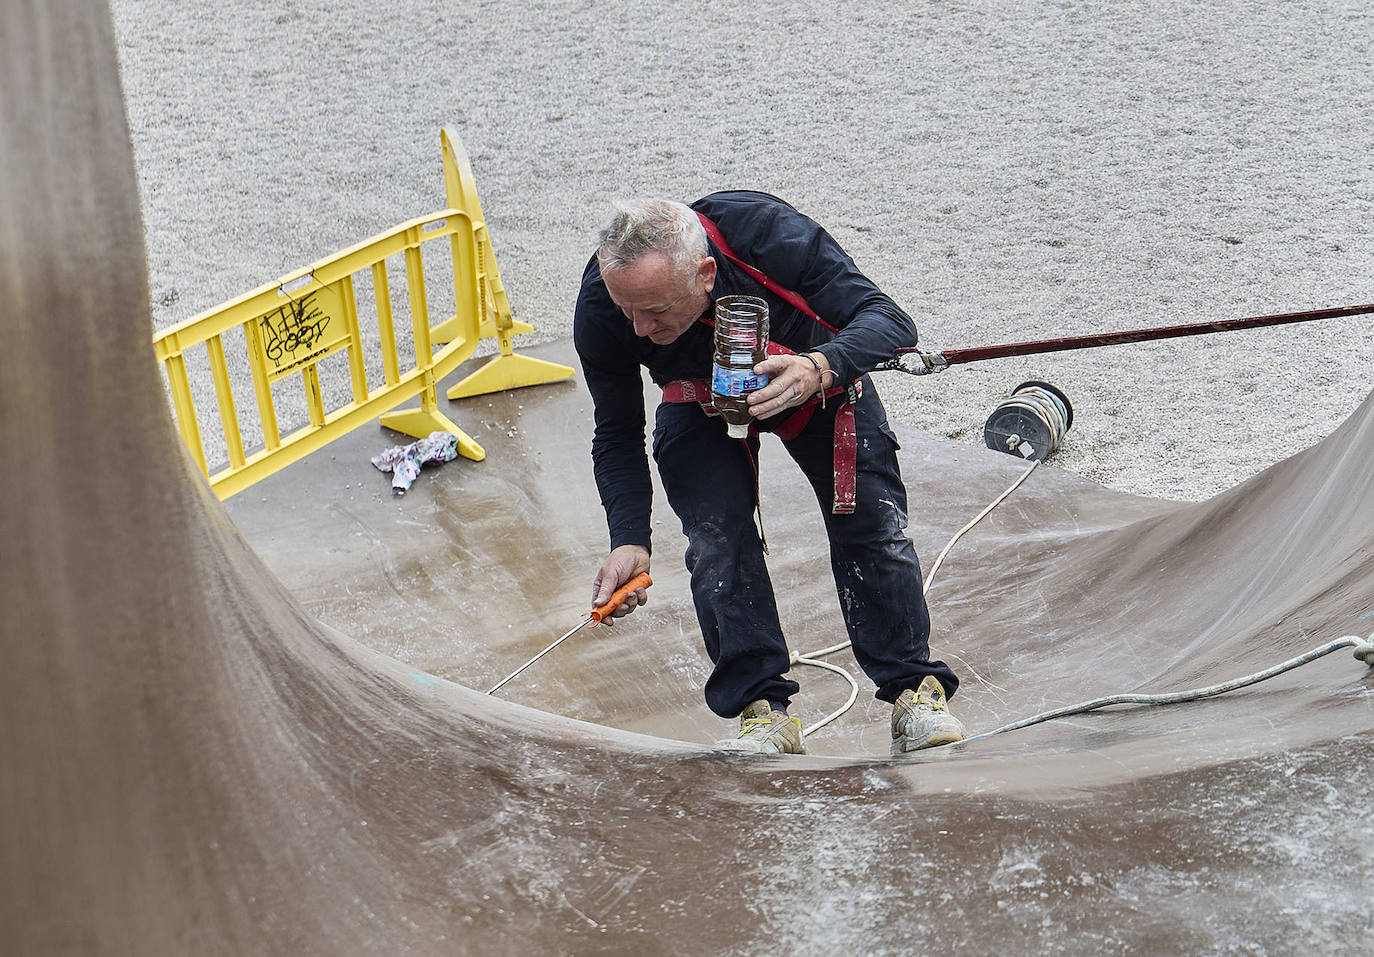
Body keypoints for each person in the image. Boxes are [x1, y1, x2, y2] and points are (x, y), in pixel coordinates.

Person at [573, 191, 964, 755]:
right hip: (698, 399)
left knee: (871, 526)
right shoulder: (603, 301)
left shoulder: (764, 234)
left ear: (706, 274)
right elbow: (615, 433)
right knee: (716, 543)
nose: (637, 328)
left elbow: (890, 322)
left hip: (814, 377)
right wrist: (628, 538)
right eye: (626, 309)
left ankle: (913, 691)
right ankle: (762, 710)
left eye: (655, 311)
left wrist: (821, 367)